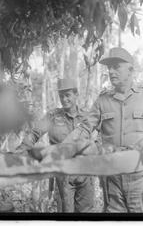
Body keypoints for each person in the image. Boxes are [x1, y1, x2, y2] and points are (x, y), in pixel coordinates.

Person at [73, 47, 143, 213]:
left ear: (131, 69)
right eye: (109, 68)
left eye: (116, 67)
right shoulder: (102, 100)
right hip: (113, 180)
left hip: (142, 177)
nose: (111, 71)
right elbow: (84, 128)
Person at [29, 78, 94, 213]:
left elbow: (99, 137)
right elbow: (35, 132)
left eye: (68, 95)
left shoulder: (87, 116)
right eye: (61, 96)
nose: (64, 99)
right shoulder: (52, 116)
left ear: (76, 95)